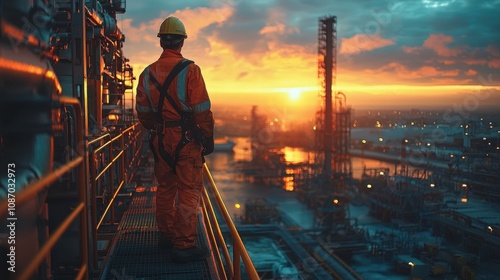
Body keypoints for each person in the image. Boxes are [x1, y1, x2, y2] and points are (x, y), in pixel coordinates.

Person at [135, 16, 214, 263]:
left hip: (161, 140)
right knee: (189, 190)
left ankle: (167, 235)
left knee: (166, 188)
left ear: (162, 42)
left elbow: (143, 113)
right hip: (186, 140)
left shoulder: (147, 74)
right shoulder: (191, 71)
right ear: (181, 42)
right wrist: (207, 138)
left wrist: (158, 129)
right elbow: (202, 110)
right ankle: (184, 245)